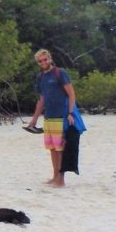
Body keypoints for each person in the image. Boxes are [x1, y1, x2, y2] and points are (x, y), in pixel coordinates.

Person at [26, 48, 76, 187]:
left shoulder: (60, 73)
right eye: (40, 61)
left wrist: (70, 113)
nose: (43, 62)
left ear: (50, 58)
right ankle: (55, 176)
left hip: (61, 116)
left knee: (60, 149)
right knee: (52, 149)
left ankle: (61, 180)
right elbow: (41, 99)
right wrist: (35, 118)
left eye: (45, 59)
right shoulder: (40, 77)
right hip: (48, 117)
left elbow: (71, 94)